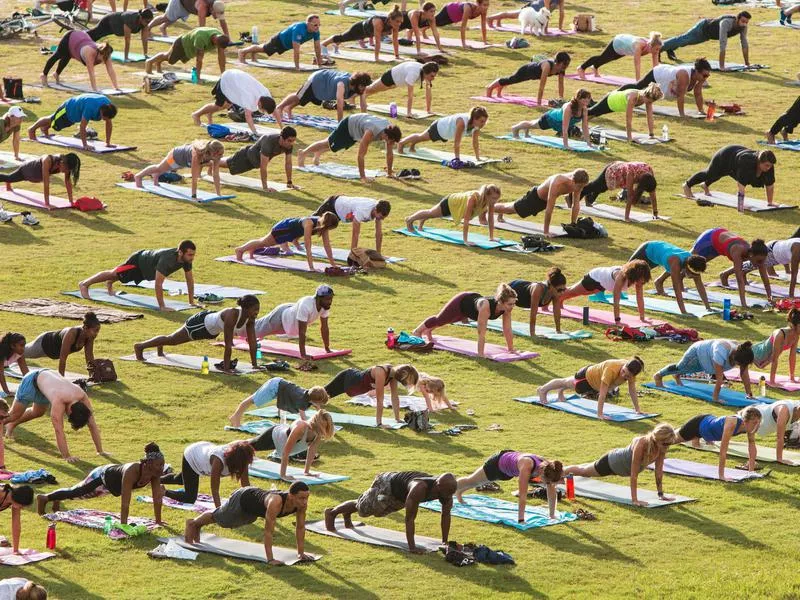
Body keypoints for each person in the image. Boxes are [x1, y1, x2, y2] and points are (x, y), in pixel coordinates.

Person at [323, 471, 456, 553]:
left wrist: (444, 542)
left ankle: (348, 513)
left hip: (401, 496)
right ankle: (332, 513)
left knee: (378, 513)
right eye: (445, 493)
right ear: (438, 486)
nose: (447, 497)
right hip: (387, 484)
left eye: (449, 494)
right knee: (365, 509)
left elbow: (446, 515)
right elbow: (409, 518)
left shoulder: (446, 493)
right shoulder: (419, 488)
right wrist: (412, 547)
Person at [184, 481, 314, 565]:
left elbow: (300, 528)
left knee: (236, 521)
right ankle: (193, 523)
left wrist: (301, 553)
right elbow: (268, 531)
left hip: (252, 510)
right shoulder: (276, 502)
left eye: (306, 498)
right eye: (301, 498)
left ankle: (197, 525)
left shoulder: (301, 505)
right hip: (243, 498)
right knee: (223, 519)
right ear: (291, 496)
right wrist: (270, 559)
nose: (304, 502)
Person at [36, 443, 165, 524]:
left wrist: (158, 521)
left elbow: (157, 498)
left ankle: (57, 498)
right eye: (159, 464)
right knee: (77, 493)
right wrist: (124, 526)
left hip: (111, 486)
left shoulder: (155, 473)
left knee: (74, 493)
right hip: (101, 477)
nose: (161, 468)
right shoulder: (132, 471)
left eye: (163, 464)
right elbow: (125, 502)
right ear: (148, 463)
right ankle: (45, 498)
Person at [133, 295, 262, 372]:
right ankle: (140, 347)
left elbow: (252, 342)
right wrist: (227, 369)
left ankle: (160, 345)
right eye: (255, 309)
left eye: (258, 309)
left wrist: (255, 365)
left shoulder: (250, 319)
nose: (257, 312)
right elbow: (228, 344)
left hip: (210, 329)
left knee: (171, 340)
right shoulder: (232, 314)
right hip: (200, 325)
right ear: (245, 308)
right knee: (173, 340)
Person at [2, 370, 104, 462]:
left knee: (38, 412)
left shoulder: (81, 394)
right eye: (69, 416)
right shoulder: (59, 400)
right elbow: (58, 430)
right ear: (71, 410)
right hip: (31, 382)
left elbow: (92, 424)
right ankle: (10, 422)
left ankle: (11, 425)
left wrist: (100, 451)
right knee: (13, 415)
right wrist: (67, 456)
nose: (66, 416)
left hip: (45, 383)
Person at [564, 424, 676, 505]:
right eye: (665, 443)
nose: (667, 446)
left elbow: (659, 471)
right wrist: (635, 500)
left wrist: (661, 494)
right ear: (657, 439)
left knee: (585, 469)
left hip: (621, 467)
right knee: (583, 472)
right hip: (612, 463)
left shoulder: (662, 447)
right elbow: (634, 474)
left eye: (670, 443)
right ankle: (558, 472)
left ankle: (561, 472)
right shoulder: (642, 444)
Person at [78, 241, 197, 310]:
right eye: (190, 255)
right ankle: (85, 284)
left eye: (193, 255)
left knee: (122, 277)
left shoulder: (186, 261)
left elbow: (190, 281)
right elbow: (158, 284)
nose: (192, 257)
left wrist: (191, 302)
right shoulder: (167, 259)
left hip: (146, 269)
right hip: (139, 260)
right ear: (180, 252)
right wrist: (162, 307)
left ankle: (109, 282)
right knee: (114, 273)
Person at [413, 283, 518, 358]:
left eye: (514, 303)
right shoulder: (485, 306)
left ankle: (428, 331)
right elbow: (481, 332)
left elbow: (507, 329)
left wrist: (511, 349)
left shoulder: (506, 309)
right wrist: (480, 354)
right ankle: (417, 331)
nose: (512, 306)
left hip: (468, 310)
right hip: (461, 301)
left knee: (448, 320)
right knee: (441, 319)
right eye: (510, 304)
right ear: (501, 302)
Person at [457, 451, 563, 521]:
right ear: (542, 472)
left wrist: (552, 515)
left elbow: (552, 492)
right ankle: (447, 486)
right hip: (496, 465)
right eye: (546, 481)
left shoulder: (549, 467)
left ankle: (459, 493)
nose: (546, 483)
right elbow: (522, 496)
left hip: (508, 470)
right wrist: (521, 520)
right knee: (472, 481)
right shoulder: (527, 466)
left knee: (477, 482)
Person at [297, 114, 401, 183]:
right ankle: (303, 153)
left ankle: (318, 153)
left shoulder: (388, 132)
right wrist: (363, 177)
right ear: (387, 136)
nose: (390, 144)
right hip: (348, 125)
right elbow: (360, 155)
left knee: (336, 147)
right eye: (391, 141)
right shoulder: (371, 132)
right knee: (328, 143)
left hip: (357, 130)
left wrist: (390, 173)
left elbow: (389, 153)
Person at [537, 357, 646, 419]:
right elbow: (602, 394)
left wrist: (637, 409)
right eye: (623, 372)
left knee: (566, 383)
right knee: (565, 382)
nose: (624, 376)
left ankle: (560, 391)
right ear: (624, 366)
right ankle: (543, 390)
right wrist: (600, 414)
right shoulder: (611, 370)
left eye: (627, 376)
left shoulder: (631, 374)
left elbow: (632, 391)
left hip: (594, 382)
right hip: (586, 378)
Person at [653, 339, 755, 403]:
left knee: (690, 369)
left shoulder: (742, 353)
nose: (738, 366)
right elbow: (719, 378)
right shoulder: (720, 352)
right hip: (697, 352)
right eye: (738, 364)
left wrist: (749, 394)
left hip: (707, 359)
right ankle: (658, 375)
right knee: (680, 367)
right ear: (733, 356)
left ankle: (677, 376)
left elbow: (744, 375)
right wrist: (715, 398)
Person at [688, 228, 769, 308]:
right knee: (689, 261)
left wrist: (770, 299)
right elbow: (739, 280)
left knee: (694, 264)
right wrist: (744, 304)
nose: (761, 264)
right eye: (759, 261)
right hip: (710, 237)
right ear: (751, 255)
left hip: (720, 246)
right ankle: (679, 284)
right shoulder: (738, 250)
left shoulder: (757, 256)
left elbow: (765, 278)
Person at [493, 170, 588, 237]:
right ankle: (485, 207)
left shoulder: (578, 182)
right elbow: (549, 209)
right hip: (535, 198)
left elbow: (576, 205)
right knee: (509, 210)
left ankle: (499, 209)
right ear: (572, 181)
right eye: (579, 186)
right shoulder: (557, 182)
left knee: (509, 208)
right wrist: (546, 231)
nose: (581, 189)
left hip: (544, 201)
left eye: (583, 186)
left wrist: (573, 224)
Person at [250, 286, 336, 360]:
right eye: (327, 299)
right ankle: (240, 322)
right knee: (253, 331)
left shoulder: (325, 307)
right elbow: (302, 332)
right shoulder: (306, 305)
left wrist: (327, 348)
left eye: (331, 299)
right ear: (319, 298)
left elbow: (324, 328)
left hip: (290, 318)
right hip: (280, 317)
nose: (330, 302)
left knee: (256, 332)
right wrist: (303, 354)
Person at [673, 407, 761, 480]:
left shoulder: (750, 427)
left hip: (707, 428)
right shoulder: (731, 423)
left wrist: (751, 472)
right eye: (755, 423)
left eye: (759, 422)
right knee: (670, 440)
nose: (757, 425)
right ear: (744, 421)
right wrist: (721, 476)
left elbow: (752, 445)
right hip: (698, 425)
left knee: (674, 436)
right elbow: (723, 451)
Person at [160, 440, 254, 507]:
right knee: (190, 498)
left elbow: (245, 485)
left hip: (203, 450)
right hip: (192, 456)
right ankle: (163, 491)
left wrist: (250, 505)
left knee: (180, 479)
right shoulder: (218, 461)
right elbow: (215, 490)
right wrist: (219, 512)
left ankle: (157, 479)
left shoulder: (243, 460)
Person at [246, 411, 335, 480]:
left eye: (325, 428)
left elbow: (312, 450)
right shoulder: (300, 427)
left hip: (282, 444)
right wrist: (283, 475)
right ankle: (233, 445)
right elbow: (286, 452)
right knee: (247, 447)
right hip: (274, 437)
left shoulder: (318, 433)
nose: (323, 431)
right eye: (322, 427)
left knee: (249, 446)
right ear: (317, 424)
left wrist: (307, 472)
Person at [684, 146, 778, 211]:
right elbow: (741, 186)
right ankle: (687, 185)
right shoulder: (746, 162)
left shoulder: (768, 165)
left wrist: (770, 202)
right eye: (766, 165)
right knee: (710, 173)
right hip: (725, 155)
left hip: (735, 160)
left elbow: (770, 185)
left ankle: (705, 185)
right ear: (759, 161)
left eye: (770, 166)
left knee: (721, 173)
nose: (768, 168)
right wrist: (740, 206)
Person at [323, 364, 419, 427]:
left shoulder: (393, 375)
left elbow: (394, 397)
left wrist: (397, 419)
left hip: (353, 388)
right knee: (320, 396)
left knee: (321, 398)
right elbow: (379, 400)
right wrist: (379, 423)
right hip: (348, 380)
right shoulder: (381, 372)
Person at [234, 213, 339, 271]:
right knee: (264, 242)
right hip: (283, 228)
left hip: (291, 232)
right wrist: (311, 267)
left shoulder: (322, 226)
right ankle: (240, 250)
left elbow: (327, 245)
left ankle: (251, 249)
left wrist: (333, 264)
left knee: (263, 242)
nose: (329, 230)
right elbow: (308, 245)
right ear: (327, 224)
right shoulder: (309, 223)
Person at [405, 184, 501, 245]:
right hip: (450, 203)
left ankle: (422, 220)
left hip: (456, 204)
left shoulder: (490, 202)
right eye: (493, 198)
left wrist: (491, 237)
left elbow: (491, 219)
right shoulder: (473, 199)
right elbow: (466, 220)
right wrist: (465, 241)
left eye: (497, 198)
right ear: (486, 195)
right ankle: (409, 220)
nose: (495, 200)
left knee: (432, 214)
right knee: (431, 213)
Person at [560, 261, 652, 324]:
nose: (642, 282)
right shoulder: (620, 276)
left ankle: (559, 300)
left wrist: (642, 317)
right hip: (594, 278)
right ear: (635, 275)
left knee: (573, 293)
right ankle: (555, 296)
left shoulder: (639, 281)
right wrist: (617, 320)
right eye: (641, 279)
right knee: (573, 292)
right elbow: (616, 300)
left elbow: (639, 298)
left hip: (602, 285)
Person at [631, 240, 710, 314]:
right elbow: (676, 288)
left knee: (639, 276)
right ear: (687, 268)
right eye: (692, 275)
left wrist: (708, 307)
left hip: (656, 257)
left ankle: (658, 282)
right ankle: (619, 291)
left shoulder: (694, 262)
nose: (693, 277)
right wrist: (683, 311)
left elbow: (700, 285)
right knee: (628, 274)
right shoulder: (675, 262)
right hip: (648, 249)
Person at [191, 69, 279, 134]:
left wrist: (281, 128)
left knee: (226, 105)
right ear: (260, 104)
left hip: (236, 81)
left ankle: (209, 113)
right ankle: (196, 114)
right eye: (263, 110)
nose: (262, 112)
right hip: (228, 80)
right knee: (219, 106)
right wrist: (255, 132)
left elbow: (275, 110)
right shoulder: (250, 98)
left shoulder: (266, 95)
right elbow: (248, 117)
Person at [617, 58, 712, 118]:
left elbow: (698, 93)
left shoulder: (701, 77)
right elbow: (680, 96)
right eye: (704, 75)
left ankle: (626, 103)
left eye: (707, 75)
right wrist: (682, 115)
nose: (705, 78)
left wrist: (701, 111)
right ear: (697, 72)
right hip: (658, 74)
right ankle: (616, 93)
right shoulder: (684, 75)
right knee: (638, 86)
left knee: (645, 98)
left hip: (665, 81)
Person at [133, 139, 225, 199]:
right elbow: (194, 178)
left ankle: (156, 177)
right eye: (220, 154)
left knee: (162, 170)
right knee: (159, 168)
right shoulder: (197, 155)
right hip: (176, 156)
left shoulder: (216, 157)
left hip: (184, 160)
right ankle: (138, 176)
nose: (222, 156)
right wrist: (194, 197)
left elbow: (216, 174)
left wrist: (218, 194)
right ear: (213, 152)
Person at [218, 127, 297, 193]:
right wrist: (265, 188)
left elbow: (288, 163)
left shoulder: (289, 145)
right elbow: (263, 166)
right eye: (289, 141)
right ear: (282, 138)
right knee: (225, 164)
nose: (291, 143)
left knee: (224, 162)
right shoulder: (269, 141)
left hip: (254, 162)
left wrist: (289, 182)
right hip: (246, 157)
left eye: (293, 141)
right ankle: (208, 161)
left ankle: (214, 160)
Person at [661, 12, 750, 70]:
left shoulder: (743, 27)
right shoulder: (726, 23)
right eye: (743, 21)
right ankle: (659, 47)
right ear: (737, 19)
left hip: (707, 36)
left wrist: (747, 64)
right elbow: (723, 44)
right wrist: (722, 67)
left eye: (746, 22)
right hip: (702, 28)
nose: (744, 24)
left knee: (684, 42)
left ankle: (670, 47)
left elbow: (744, 44)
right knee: (683, 39)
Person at [28, 93, 117, 151]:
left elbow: (109, 124)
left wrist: (108, 143)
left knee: (56, 123)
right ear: (101, 112)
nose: (105, 120)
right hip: (68, 108)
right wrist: (85, 145)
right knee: (52, 119)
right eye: (104, 118)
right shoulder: (90, 108)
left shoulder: (108, 106)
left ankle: (45, 129)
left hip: (75, 114)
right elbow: (82, 126)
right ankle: (32, 130)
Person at [276, 70, 372, 123]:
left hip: (324, 87)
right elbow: (339, 104)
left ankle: (288, 108)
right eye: (362, 86)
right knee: (298, 96)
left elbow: (363, 105)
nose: (364, 88)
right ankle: (280, 108)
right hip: (317, 80)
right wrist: (340, 123)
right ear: (356, 83)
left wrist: (364, 120)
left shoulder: (360, 88)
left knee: (303, 99)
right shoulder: (341, 84)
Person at [510, 88, 592, 150]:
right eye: (584, 98)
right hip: (551, 119)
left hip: (557, 123)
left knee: (533, 124)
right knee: (533, 125)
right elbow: (565, 128)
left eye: (588, 98)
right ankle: (515, 128)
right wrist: (566, 145)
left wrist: (589, 144)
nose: (587, 100)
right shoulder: (569, 108)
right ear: (578, 98)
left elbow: (585, 127)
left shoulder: (584, 109)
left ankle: (526, 129)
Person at [24, 312, 100, 377]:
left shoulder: (90, 336)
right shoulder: (72, 333)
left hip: (53, 352)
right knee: (20, 352)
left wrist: (92, 375)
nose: (96, 334)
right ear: (86, 328)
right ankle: (12, 345)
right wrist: (62, 380)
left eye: (98, 331)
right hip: (44, 344)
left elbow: (89, 356)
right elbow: (63, 358)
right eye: (95, 331)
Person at [398, 106, 488, 161]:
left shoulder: (476, 126)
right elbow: (457, 143)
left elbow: (475, 142)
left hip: (446, 133)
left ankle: (412, 145)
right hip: (439, 128)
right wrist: (457, 159)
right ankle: (401, 143)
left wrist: (477, 158)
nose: (483, 124)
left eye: (484, 121)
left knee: (422, 138)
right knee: (422, 137)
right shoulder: (462, 123)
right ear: (475, 119)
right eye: (482, 121)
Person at [41, 30, 120, 92]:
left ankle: (56, 74)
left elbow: (110, 70)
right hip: (71, 37)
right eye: (103, 58)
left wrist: (116, 87)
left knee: (67, 57)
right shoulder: (89, 52)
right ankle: (44, 75)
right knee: (58, 55)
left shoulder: (106, 53)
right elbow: (91, 73)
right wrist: (95, 90)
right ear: (99, 53)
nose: (104, 61)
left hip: (81, 39)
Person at [229, 378, 329, 426]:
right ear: (314, 401)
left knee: (281, 406)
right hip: (274, 387)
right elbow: (304, 419)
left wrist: (322, 417)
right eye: (319, 403)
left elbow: (319, 409)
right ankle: (235, 417)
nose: (319, 406)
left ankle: (282, 422)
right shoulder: (302, 400)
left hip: (280, 384)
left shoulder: (310, 394)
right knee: (253, 400)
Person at [580, 161, 659, 220]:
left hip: (622, 170)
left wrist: (655, 213)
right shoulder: (631, 174)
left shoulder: (649, 174)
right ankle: (574, 196)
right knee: (597, 186)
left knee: (601, 189)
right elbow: (630, 197)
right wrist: (626, 218)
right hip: (614, 171)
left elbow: (653, 195)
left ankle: (588, 199)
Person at [238, 14, 323, 69]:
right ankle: (242, 52)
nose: (317, 27)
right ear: (308, 23)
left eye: (319, 25)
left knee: (263, 49)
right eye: (315, 25)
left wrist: (320, 65)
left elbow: (317, 49)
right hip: (279, 40)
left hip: (286, 45)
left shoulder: (316, 32)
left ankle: (253, 53)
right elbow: (296, 50)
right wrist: (297, 67)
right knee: (264, 49)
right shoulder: (299, 29)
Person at [321, 6, 404, 62]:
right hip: (358, 29)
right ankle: (323, 44)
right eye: (397, 21)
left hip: (365, 34)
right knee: (342, 37)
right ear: (390, 19)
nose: (399, 24)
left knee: (344, 39)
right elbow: (377, 41)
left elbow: (395, 40)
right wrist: (376, 58)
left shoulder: (395, 25)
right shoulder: (379, 22)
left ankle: (336, 45)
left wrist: (397, 56)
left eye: (400, 22)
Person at [587, 84, 663, 143]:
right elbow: (628, 119)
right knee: (590, 112)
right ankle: (578, 108)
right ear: (645, 95)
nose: (650, 103)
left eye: (652, 102)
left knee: (594, 114)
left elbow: (649, 117)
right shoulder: (632, 97)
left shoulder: (647, 98)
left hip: (616, 106)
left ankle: (583, 124)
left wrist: (651, 135)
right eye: (649, 101)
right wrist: (629, 138)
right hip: (610, 100)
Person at [0, 153, 80, 209]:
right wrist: (47, 204)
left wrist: (71, 201)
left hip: (35, 176)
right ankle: (8, 183)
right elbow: (46, 183)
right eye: (66, 169)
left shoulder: (65, 164)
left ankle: (8, 183)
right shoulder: (48, 160)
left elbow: (67, 182)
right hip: (26, 170)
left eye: (68, 170)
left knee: (9, 178)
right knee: (9, 178)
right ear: (62, 163)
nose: (66, 171)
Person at [313, 196, 390, 253]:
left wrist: (378, 253)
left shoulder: (378, 208)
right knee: (313, 225)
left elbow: (379, 234)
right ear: (375, 210)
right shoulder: (362, 210)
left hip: (342, 212)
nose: (382, 219)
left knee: (321, 228)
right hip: (332, 204)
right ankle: (300, 240)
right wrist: (353, 255)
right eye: (381, 216)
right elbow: (355, 234)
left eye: (383, 217)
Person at [145, 27, 229, 79]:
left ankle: (158, 63)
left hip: (190, 48)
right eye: (216, 45)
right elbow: (199, 59)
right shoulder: (201, 38)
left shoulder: (220, 38)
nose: (217, 48)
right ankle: (150, 61)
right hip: (182, 44)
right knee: (169, 59)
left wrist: (223, 75)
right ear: (215, 40)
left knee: (169, 59)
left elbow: (221, 58)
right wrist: (198, 77)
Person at [730, 237, 800, 299]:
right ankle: (725, 274)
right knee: (749, 265)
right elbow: (794, 274)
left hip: (778, 249)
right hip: (772, 251)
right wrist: (791, 296)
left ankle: (741, 273)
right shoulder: (797, 250)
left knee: (751, 265)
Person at [507, 268, 568, 336]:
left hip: (523, 287)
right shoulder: (538, 289)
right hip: (514, 288)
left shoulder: (555, 292)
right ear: (551, 286)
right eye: (559, 290)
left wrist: (558, 330)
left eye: (564, 289)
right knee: (498, 307)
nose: (562, 292)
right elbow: (533, 313)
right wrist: (532, 334)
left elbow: (556, 311)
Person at [485, 52, 570, 101]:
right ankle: (490, 87)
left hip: (533, 76)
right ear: (557, 62)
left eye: (566, 65)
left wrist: (561, 99)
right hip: (526, 70)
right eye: (563, 65)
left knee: (511, 80)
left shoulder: (561, 69)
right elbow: (541, 86)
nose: (564, 68)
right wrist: (539, 103)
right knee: (511, 79)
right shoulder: (547, 66)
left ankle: (499, 89)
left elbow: (561, 84)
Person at [365, 62, 439, 118]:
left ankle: (363, 97)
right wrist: (409, 113)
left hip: (396, 82)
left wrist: (428, 110)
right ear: (426, 73)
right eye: (432, 76)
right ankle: (354, 93)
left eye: (434, 76)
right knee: (371, 89)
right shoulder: (414, 74)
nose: (433, 78)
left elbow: (428, 93)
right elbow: (410, 95)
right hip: (390, 77)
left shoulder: (426, 74)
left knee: (374, 90)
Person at [578, 32, 663, 80]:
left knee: (609, 58)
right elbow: (637, 64)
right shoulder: (639, 45)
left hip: (624, 49)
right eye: (657, 49)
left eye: (659, 49)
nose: (658, 51)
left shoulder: (654, 49)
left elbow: (656, 68)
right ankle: (581, 68)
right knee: (603, 57)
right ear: (651, 46)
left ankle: (595, 67)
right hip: (619, 42)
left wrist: (657, 80)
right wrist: (638, 82)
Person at [750, 309, 800, 385]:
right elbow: (774, 359)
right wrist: (772, 381)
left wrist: (792, 377)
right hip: (755, 354)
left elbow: (792, 357)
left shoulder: (796, 336)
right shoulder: (780, 334)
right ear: (795, 325)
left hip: (764, 359)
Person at [87, 9, 154, 61]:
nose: (148, 23)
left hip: (116, 28)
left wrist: (145, 54)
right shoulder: (130, 19)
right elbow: (127, 39)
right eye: (147, 21)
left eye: (150, 21)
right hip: (109, 21)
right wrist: (126, 57)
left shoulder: (144, 24)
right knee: (94, 35)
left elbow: (144, 39)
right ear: (141, 18)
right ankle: (80, 36)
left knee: (95, 36)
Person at [147, 0, 229, 39]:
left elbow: (223, 22)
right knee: (166, 17)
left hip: (188, 7)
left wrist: (227, 37)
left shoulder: (218, 5)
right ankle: (148, 28)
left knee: (174, 17)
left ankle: (163, 27)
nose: (218, 16)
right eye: (216, 14)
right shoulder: (202, 7)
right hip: (179, 2)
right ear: (211, 9)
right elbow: (201, 29)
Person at [425, 0, 490, 49]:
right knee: (433, 22)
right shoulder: (468, 8)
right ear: (478, 4)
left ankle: (423, 30)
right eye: (484, 5)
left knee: (438, 24)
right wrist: (463, 44)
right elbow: (463, 27)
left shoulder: (483, 11)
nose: (486, 7)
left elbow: (483, 25)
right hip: (448, 10)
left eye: (487, 5)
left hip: (454, 18)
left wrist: (485, 41)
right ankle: (420, 23)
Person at [753, 399, 800, 465]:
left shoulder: (796, 409)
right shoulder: (784, 411)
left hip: (766, 424)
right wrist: (779, 459)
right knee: (737, 428)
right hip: (755, 416)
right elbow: (779, 437)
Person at [487, 0, 565, 33]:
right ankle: (490, 18)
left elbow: (562, 13)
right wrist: (545, 30)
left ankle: (497, 20)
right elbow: (546, 11)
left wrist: (560, 28)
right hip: (532, 9)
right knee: (512, 15)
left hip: (537, 13)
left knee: (512, 15)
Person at [0, 484, 34, 555]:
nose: (22, 508)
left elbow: (16, 525)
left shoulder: (13, 499)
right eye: (22, 505)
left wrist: (15, 550)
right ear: (18, 499)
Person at [0, 333, 27, 398]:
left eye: (24, 345)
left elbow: (26, 372)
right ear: (12, 346)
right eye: (21, 345)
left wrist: (33, 387)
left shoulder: (20, 354)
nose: (23, 348)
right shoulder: (1, 353)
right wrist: (7, 392)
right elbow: (1, 374)